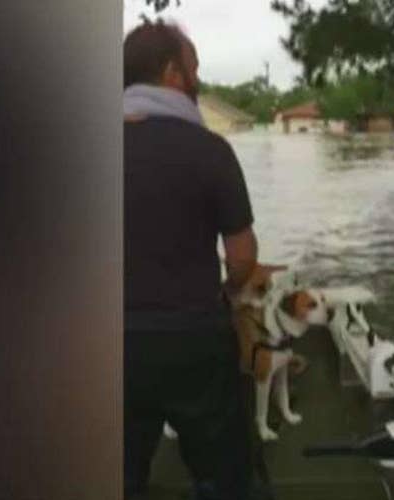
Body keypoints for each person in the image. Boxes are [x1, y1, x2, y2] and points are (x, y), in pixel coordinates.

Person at [123, 20, 260, 500]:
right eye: (194, 67)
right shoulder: (210, 151)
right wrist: (225, 290)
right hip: (195, 342)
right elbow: (242, 259)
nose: (198, 77)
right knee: (224, 476)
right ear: (172, 74)